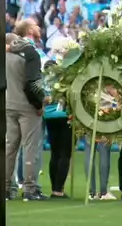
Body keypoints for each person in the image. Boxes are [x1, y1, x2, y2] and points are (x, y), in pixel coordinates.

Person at [5, 19, 47, 201]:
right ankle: (30, 189)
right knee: (30, 147)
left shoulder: (6, 52)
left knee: (9, 147)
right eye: (36, 26)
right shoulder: (31, 53)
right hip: (27, 106)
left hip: (8, 104)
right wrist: (39, 104)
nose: (39, 28)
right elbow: (32, 84)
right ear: (30, 30)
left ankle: (7, 188)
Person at [42, 60, 73, 199]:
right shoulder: (65, 80)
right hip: (64, 116)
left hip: (49, 116)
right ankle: (58, 189)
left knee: (55, 153)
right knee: (65, 153)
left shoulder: (44, 81)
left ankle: (55, 187)